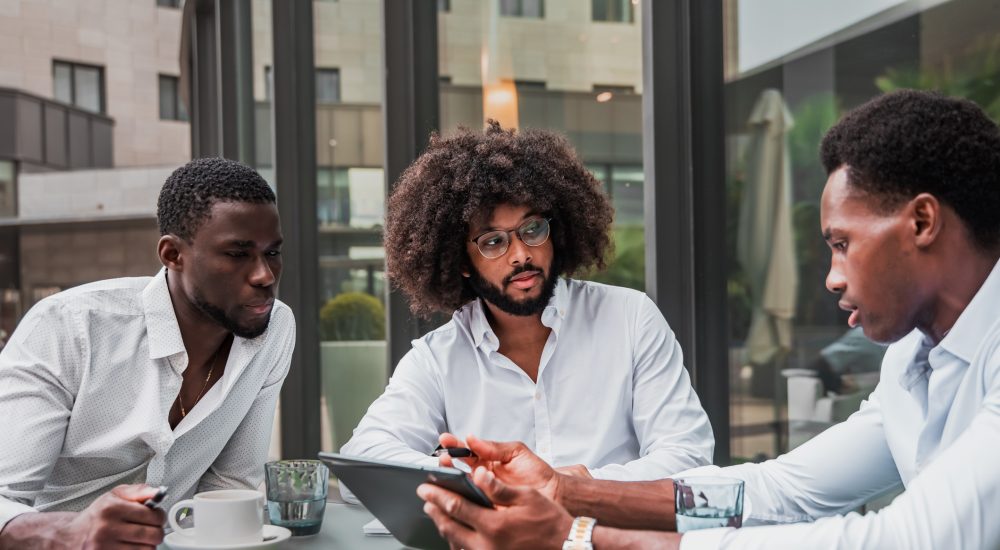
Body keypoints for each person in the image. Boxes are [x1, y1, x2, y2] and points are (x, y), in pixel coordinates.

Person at [417, 89, 1000, 549]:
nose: (832, 277)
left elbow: (908, 541)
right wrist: (564, 489)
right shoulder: (909, 363)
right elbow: (776, 492)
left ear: (922, 222)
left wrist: (580, 539)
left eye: (842, 244)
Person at [341, 122, 713, 489]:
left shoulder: (630, 319)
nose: (520, 255)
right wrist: (481, 480)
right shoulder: (438, 359)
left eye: (532, 229)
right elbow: (365, 457)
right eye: (493, 241)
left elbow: (689, 455)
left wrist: (576, 485)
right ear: (461, 262)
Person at [0, 157, 295, 549]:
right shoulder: (70, 327)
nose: (264, 276)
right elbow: (5, 494)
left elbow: (229, 484)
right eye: (238, 254)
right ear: (173, 254)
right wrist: (69, 534)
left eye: (272, 253)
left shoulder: (274, 327)